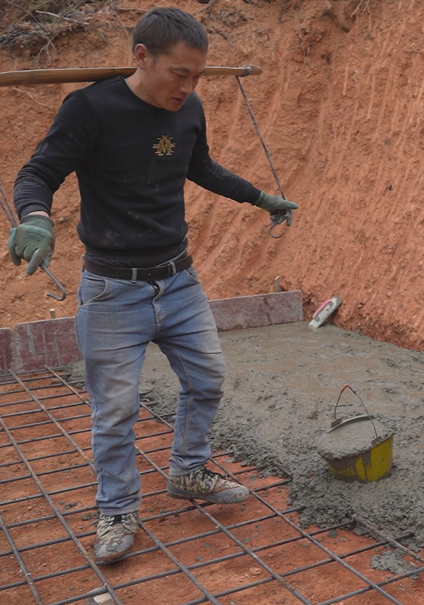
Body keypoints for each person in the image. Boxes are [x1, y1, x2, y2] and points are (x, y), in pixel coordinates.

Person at [6, 7, 298, 564]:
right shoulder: (91, 109)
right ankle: (116, 507)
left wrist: (259, 197)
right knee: (114, 410)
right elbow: (37, 173)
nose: (187, 87)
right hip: (114, 289)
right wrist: (36, 218)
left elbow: (202, 166)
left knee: (207, 378)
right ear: (142, 57)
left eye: (197, 76)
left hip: (178, 280)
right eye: (178, 74)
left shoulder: (187, 109)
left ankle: (188, 472)